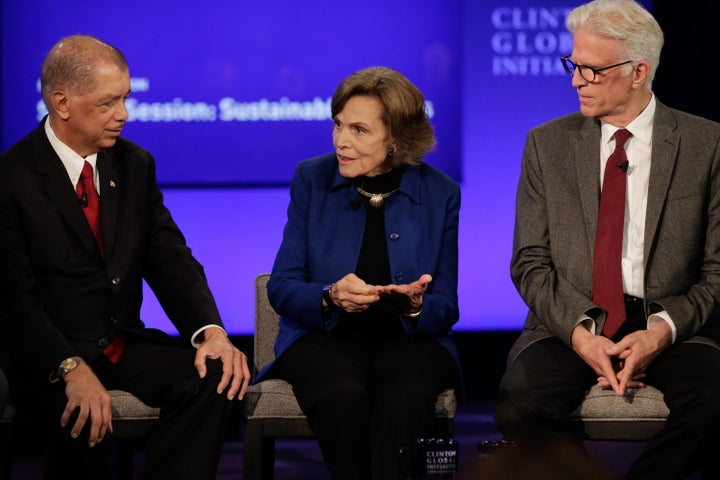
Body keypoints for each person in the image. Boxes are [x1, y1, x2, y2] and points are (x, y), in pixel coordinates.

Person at [0, 35, 250, 479]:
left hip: (119, 344)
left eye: (126, 99)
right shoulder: (11, 179)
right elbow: (14, 300)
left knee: (215, 378)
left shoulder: (134, 165)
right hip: (48, 355)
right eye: (108, 103)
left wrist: (210, 330)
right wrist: (69, 367)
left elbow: (170, 257)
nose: (124, 115)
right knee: (82, 417)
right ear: (62, 103)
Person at [493, 0, 720, 478]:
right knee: (520, 407)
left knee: (714, 403)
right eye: (573, 66)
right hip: (573, 318)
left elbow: (717, 270)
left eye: (592, 71)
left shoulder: (707, 144)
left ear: (638, 72)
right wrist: (582, 336)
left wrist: (661, 331)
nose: (576, 80)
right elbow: (529, 262)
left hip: (673, 322)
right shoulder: (546, 144)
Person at [260, 66, 462, 480]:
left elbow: (447, 306)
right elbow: (281, 287)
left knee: (405, 397)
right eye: (337, 125)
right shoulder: (311, 179)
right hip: (323, 338)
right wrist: (330, 295)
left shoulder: (440, 192)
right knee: (340, 395)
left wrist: (415, 307)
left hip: (409, 342)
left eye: (359, 130)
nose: (341, 141)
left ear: (396, 139)